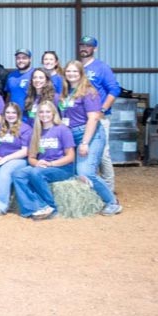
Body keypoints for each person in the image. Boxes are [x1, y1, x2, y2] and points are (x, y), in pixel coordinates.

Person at [59, 61, 122, 216]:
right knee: (73, 172)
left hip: (89, 134)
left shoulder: (89, 92)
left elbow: (93, 118)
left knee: (86, 171)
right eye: (68, 71)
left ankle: (112, 202)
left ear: (81, 73)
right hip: (71, 134)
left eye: (75, 71)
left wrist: (85, 143)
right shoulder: (65, 91)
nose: (71, 74)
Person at [11, 101, 78, 220]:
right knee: (18, 174)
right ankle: (33, 208)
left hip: (62, 167)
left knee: (35, 172)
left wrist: (51, 164)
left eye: (48, 112)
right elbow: (31, 157)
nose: (44, 114)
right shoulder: (36, 132)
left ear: (53, 113)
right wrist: (37, 163)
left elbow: (70, 157)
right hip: (43, 166)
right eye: (41, 112)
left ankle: (51, 207)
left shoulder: (62, 129)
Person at [78, 35, 120, 192]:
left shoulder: (101, 67)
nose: (84, 48)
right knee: (85, 152)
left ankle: (109, 188)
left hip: (99, 117)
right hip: (82, 118)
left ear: (94, 49)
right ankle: (90, 187)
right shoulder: (78, 67)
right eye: (82, 45)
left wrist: (102, 109)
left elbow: (114, 89)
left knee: (102, 153)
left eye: (88, 46)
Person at [0, 103, 32, 216]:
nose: (10, 115)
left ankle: (0, 205)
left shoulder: (25, 128)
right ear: (4, 114)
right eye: (8, 112)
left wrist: (6, 159)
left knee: (5, 171)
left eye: (13, 113)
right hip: (0, 159)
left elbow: (25, 151)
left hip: (18, 159)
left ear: (18, 114)